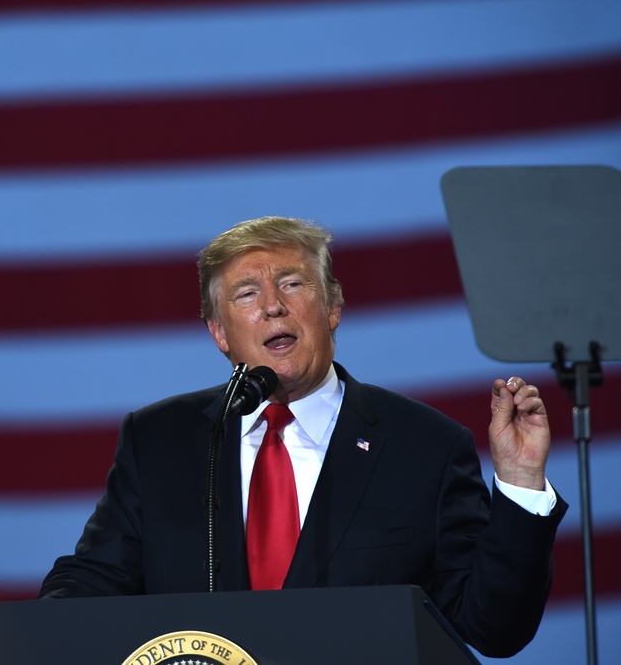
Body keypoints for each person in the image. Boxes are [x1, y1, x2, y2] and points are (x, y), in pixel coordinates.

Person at [37, 215, 566, 657]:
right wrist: (34, 637)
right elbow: (92, 582)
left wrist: (520, 482)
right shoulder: (159, 441)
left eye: (292, 283)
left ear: (332, 307)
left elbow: (493, 629)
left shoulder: (422, 445)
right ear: (219, 332)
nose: (273, 305)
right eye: (247, 293)